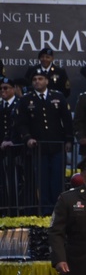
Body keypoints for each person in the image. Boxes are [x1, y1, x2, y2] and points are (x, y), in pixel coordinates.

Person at [17, 70, 72, 213]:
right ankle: (46, 211)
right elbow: (22, 123)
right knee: (42, 181)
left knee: (57, 179)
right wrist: (28, 138)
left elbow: (67, 120)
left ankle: (59, 211)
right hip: (38, 147)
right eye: (34, 79)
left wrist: (68, 140)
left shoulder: (58, 97)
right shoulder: (26, 100)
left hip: (57, 146)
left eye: (40, 78)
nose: (37, 81)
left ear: (47, 81)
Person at [1, 76, 21, 212]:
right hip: (1, 149)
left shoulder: (20, 104)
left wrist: (12, 141)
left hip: (16, 150)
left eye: (6, 88)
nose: (3, 91)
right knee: (3, 182)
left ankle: (14, 210)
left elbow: (19, 126)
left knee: (15, 181)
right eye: (0, 88)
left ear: (13, 89)